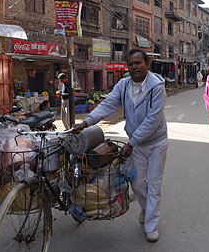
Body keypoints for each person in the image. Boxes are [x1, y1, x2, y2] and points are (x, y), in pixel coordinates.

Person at [72, 48, 168, 242]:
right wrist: (86, 122)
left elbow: (152, 120)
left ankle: (151, 224)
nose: (134, 67)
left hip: (156, 142)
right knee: (138, 184)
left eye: (138, 63)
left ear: (147, 65)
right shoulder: (123, 85)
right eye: (130, 64)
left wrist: (131, 143)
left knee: (154, 184)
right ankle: (145, 209)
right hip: (137, 144)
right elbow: (107, 105)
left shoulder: (157, 87)